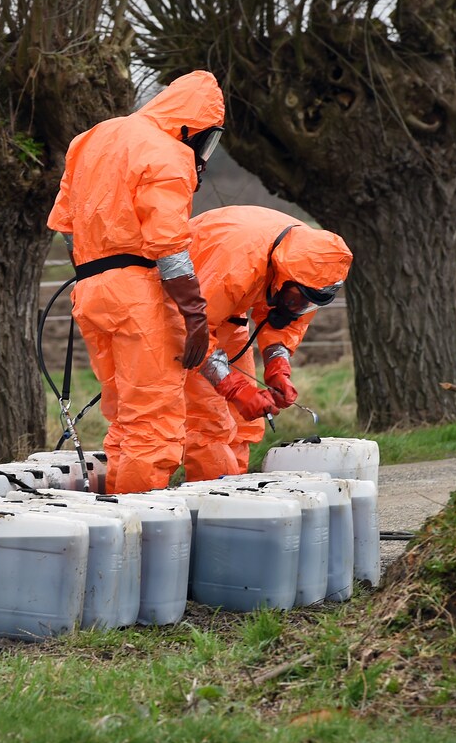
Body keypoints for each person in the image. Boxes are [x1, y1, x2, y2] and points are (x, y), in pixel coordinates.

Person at [47, 70, 225, 493]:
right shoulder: (168, 152)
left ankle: (116, 532)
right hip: (138, 297)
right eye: (208, 138)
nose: (204, 150)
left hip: (89, 291)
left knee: (125, 419)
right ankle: (142, 536)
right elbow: (169, 246)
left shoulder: (91, 139)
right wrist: (194, 315)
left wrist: (100, 259)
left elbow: (65, 223)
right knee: (155, 423)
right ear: (191, 126)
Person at [183, 205, 354, 481]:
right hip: (180, 315)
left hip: (225, 311)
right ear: (285, 276)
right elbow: (188, 330)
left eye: (307, 303)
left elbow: (283, 320)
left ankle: (233, 489)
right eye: (297, 299)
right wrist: (233, 387)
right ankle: (213, 502)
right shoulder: (238, 263)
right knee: (210, 422)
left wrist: (278, 368)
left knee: (243, 423)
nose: (298, 306)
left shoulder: (308, 263)